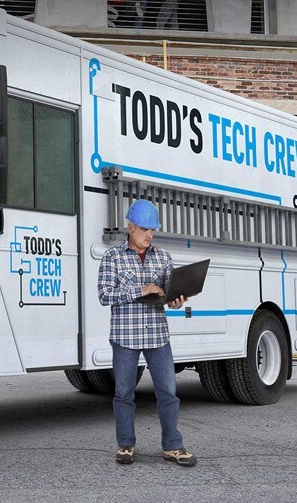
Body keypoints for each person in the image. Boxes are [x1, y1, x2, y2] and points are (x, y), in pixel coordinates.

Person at [97, 199, 196, 468]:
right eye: (144, 229)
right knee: (124, 392)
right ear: (130, 227)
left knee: (168, 392)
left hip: (157, 336)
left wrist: (176, 300)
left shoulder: (163, 257)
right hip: (125, 336)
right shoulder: (112, 258)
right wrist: (140, 291)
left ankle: (173, 447)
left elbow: (168, 293)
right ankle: (126, 445)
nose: (149, 235)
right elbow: (104, 296)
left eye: (152, 230)